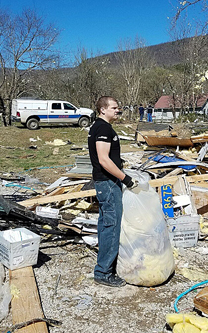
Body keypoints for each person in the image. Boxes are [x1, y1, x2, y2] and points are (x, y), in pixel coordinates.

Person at [88, 96, 139, 287]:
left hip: (107, 182)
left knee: (106, 224)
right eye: (114, 108)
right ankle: (103, 272)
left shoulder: (101, 127)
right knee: (111, 226)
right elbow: (103, 159)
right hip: (108, 183)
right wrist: (126, 179)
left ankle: (106, 266)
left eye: (118, 108)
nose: (118, 110)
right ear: (102, 109)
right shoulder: (102, 128)